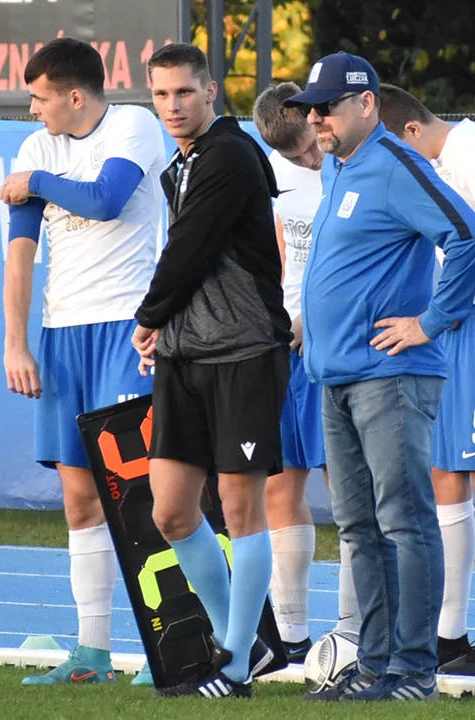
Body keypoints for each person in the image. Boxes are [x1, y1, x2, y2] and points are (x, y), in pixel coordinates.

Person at [282, 52, 475, 702]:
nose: (316, 118)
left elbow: (470, 235)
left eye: (327, 107)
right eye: (310, 109)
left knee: (403, 520)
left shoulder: (394, 163)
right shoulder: (341, 167)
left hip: (390, 375)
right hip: (338, 376)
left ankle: (413, 671)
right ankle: (372, 666)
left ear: (367, 104)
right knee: (358, 527)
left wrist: (431, 321)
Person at [0, 36, 165, 687]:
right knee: (79, 499)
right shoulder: (35, 145)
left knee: (146, 494)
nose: (33, 109)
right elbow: (20, 255)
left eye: (40, 98)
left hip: (129, 329)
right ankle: (91, 653)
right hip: (63, 335)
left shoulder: (132, 124)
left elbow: (106, 200)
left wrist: (37, 183)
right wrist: (17, 342)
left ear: (75, 95)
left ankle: (172, 643)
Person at [131, 43, 292, 700]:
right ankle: (245, 639)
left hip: (244, 353)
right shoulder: (184, 162)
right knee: (171, 512)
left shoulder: (228, 154)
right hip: (184, 357)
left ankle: (232, 663)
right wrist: (165, 331)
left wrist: (149, 315)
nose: (172, 105)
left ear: (211, 93)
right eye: (161, 94)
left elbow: (190, 249)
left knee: (239, 508)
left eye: (183, 93)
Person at [378, 85, 475, 678]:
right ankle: (449, 636)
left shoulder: (471, 147)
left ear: (409, 133)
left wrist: (440, 308)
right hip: (452, 329)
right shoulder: (442, 159)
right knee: (445, 478)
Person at [252, 81, 363, 659]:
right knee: (281, 483)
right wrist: (284, 318)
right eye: (296, 156)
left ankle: (352, 629)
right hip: (288, 347)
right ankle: (293, 637)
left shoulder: (359, 159)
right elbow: (275, 257)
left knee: (348, 489)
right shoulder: (268, 174)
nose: (309, 159)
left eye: (311, 147)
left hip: (345, 342)